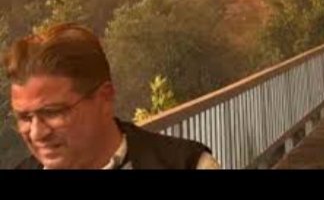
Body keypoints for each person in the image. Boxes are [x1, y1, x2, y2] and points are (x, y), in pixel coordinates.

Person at [5, 23, 220, 169]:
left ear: (105, 97)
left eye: (52, 113)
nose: (36, 133)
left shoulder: (189, 165)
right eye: (24, 118)